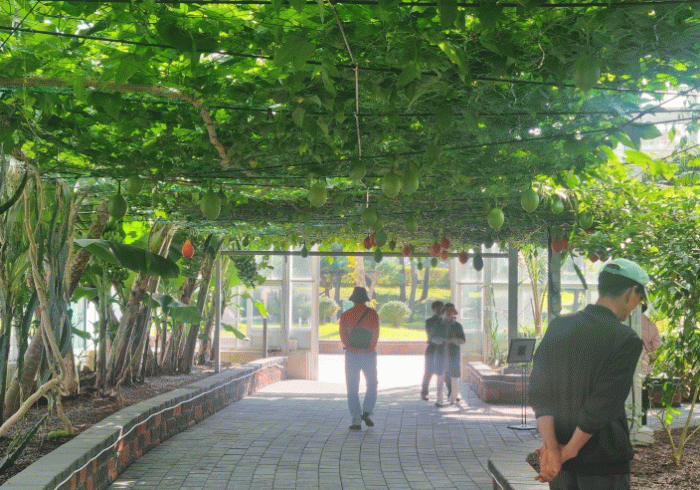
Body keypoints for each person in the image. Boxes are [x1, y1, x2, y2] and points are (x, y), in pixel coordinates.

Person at [528, 258, 649, 490]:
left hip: (561, 465)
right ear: (631, 292)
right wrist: (567, 452)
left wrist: (552, 449)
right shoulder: (626, 339)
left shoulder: (559, 326)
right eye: (639, 298)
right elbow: (605, 402)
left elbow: (540, 391)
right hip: (603, 462)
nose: (636, 305)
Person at [339, 286, 380, 430]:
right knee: (372, 384)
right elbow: (375, 334)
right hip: (369, 354)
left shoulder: (345, 315)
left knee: (352, 387)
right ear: (365, 299)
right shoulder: (373, 314)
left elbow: (343, 336)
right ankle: (367, 411)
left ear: (353, 299)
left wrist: (353, 349)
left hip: (351, 355)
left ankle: (356, 420)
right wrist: (369, 348)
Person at [420, 301, 451, 401]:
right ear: (433, 310)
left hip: (443, 349)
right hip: (432, 349)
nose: (440, 310)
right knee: (428, 372)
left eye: (441, 308)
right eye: (438, 308)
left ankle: (451, 393)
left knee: (447, 371)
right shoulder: (429, 321)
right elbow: (432, 334)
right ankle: (424, 392)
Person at [640, 309, 661, 425]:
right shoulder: (649, 324)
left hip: (624, 366)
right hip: (643, 367)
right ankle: (642, 424)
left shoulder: (622, 318)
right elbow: (654, 352)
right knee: (643, 398)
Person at [443, 303, 465, 405]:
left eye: (451, 311)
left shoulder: (458, 326)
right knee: (446, 375)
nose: (448, 312)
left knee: (455, 374)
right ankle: (451, 393)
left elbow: (463, 340)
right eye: (446, 310)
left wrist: (453, 340)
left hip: (454, 353)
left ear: (454, 313)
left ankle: (454, 394)